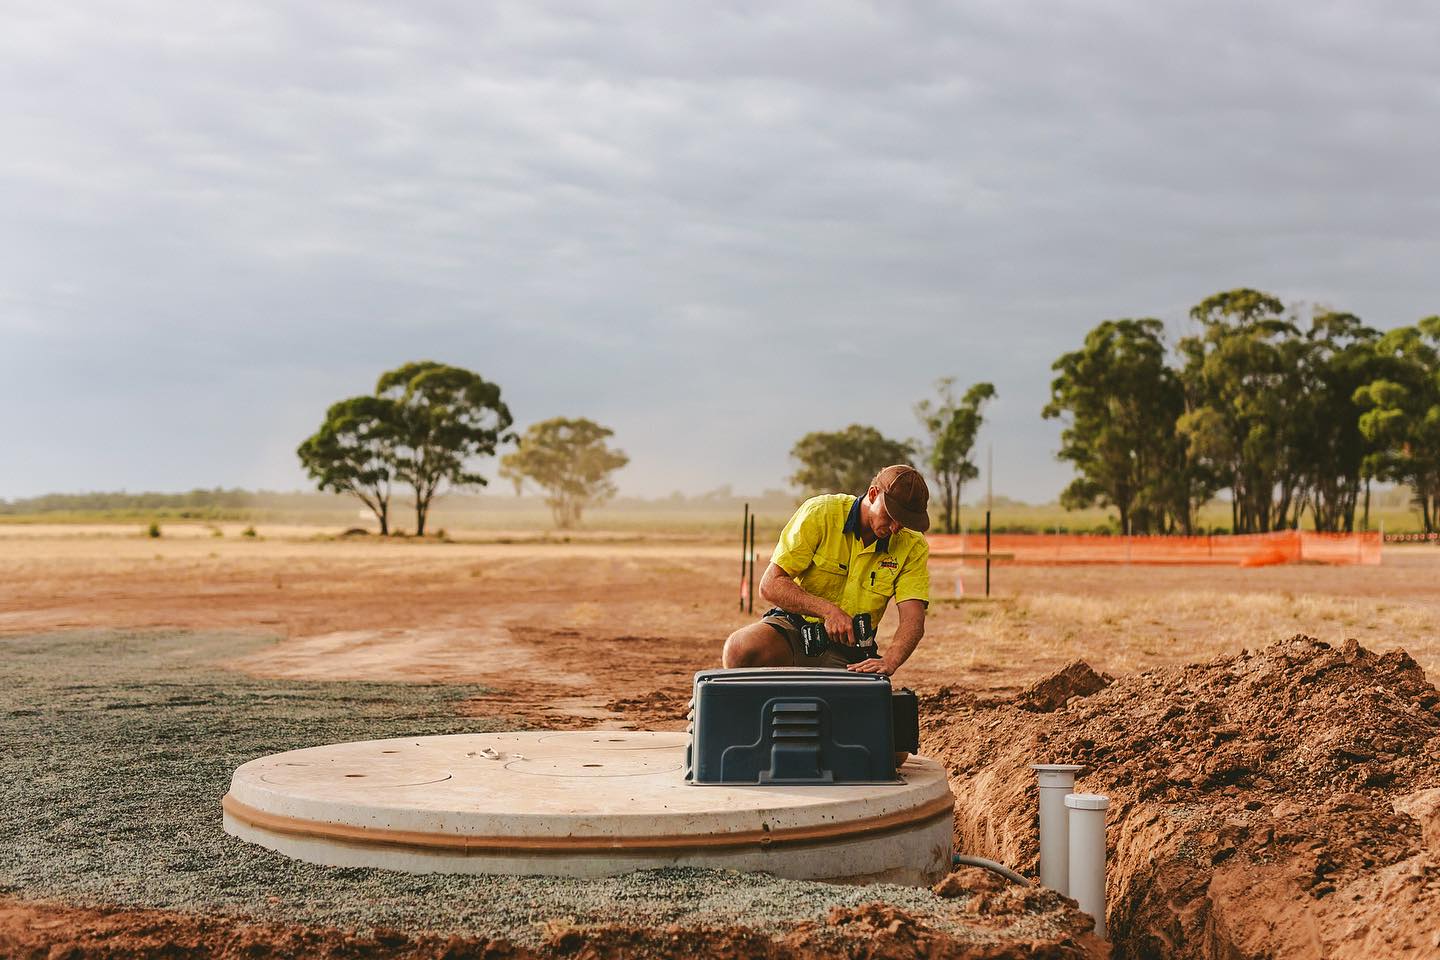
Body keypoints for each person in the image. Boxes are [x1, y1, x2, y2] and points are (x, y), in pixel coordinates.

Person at [722, 464, 931, 676]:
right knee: (739, 648)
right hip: (795, 628)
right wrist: (828, 611)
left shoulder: (913, 546)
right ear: (873, 493)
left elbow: (913, 618)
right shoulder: (821, 513)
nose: (895, 528)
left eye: (904, 522)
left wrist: (890, 661)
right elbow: (770, 585)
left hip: (853, 651)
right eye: (891, 516)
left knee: (865, 702)